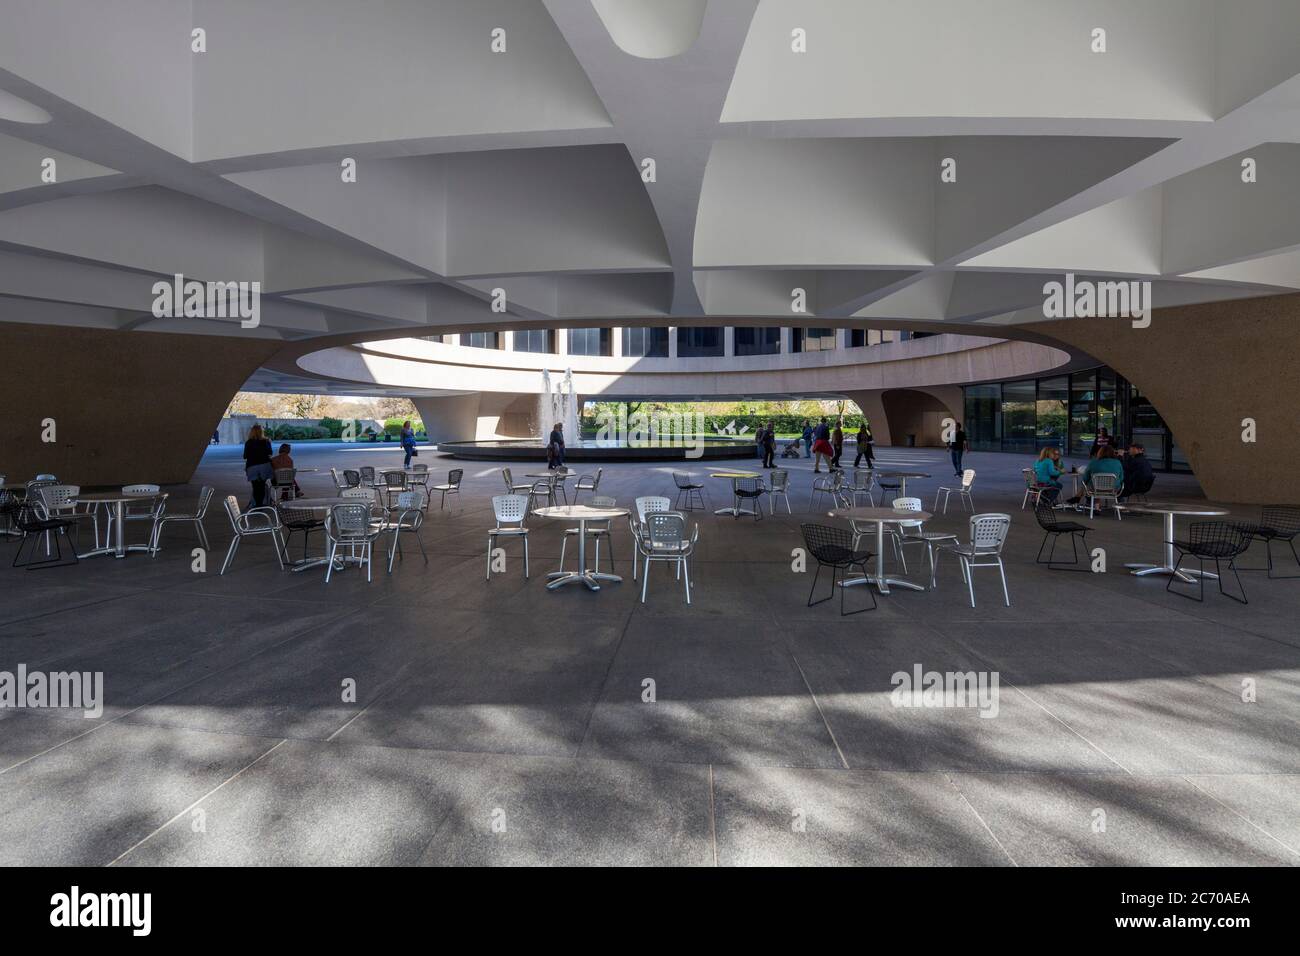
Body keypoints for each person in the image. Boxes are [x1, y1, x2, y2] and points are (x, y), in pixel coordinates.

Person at [243, 424, 274, 508]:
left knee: (255, 486)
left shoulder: (248, 442)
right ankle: (260, 505)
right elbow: (270, 453)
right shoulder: (266, 441)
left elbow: (245, 456)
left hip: (252, 466)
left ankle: (257, 505)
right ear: (261, 432)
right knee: (262, 485)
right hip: (264, 465)